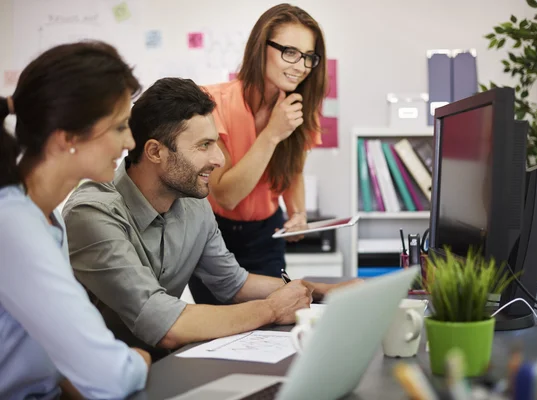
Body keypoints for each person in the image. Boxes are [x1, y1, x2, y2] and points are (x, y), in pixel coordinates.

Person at [61, 77, 351, 360]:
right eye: (204, 145)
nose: (219, 159)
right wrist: (272, 309)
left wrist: (322, 291)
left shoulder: (194, 202)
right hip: (98, 381)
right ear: (154, 152)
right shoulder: (93, 212)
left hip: (159, 365)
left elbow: (234, 284)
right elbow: (166, 325)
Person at [0, 42, 150, 399]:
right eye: (119, 127)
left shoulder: (46, 217)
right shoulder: (13, 223)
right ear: (66, 138)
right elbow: (112, 377)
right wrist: (138, 360)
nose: (130, 141)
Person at [188, 4, 327, 302]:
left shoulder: (300, 107)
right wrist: (272, 133)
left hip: (267, 235)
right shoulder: (212, 102)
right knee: (220, 330)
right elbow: (226, 194)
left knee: (274, 325)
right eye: (289, 52)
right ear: (260, 48)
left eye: (308, 57)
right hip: (214, 235)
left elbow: (294, 169)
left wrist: (298, 213)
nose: (300, 65)